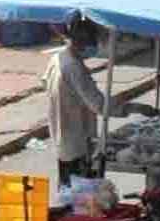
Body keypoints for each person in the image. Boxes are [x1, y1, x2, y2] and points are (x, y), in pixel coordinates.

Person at [42, 17, 126, 185]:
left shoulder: (58, 57)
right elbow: (100, 106)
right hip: (76, 138)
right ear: (84, 42)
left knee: (68, 185)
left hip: (63, 132)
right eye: (94, 41)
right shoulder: (74, 67)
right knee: (80, 192)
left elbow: (44, 81)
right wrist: (131, 108)